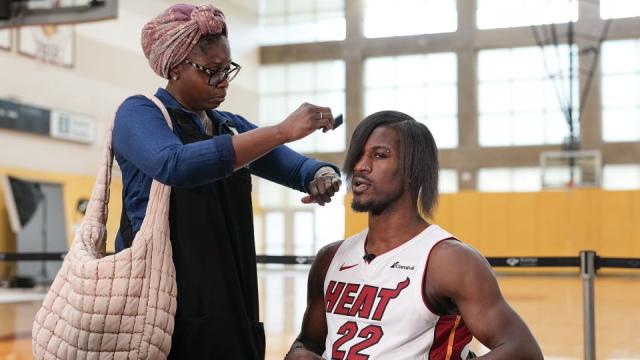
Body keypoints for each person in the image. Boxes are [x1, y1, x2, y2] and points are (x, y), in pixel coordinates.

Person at [112, 3, 342, 359]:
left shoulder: (228, 124)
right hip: (164, 303)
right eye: (212, 71)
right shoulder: (139, 114)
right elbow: (174, 164)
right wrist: (280, 130)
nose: (223, 83)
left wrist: (321, 174)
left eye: (227, 70)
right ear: (174, 68)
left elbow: (296, 168)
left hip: (231, 293)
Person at [285, 111, 543, 359]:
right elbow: (308, 341)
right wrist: (298, 353)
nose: (361, 166)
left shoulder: (448, 260)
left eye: (379, 155)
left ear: (413, 170)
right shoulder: (330, 258)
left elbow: (521, 350)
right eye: (358, 156)